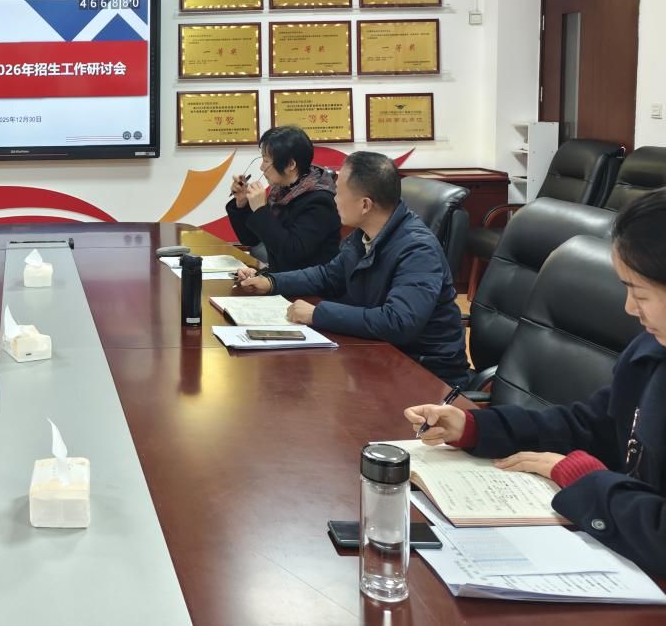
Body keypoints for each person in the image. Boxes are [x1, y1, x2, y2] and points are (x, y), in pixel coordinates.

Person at [404, 189, 666, 577]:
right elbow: (591, 426)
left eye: (639, 292)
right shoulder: (650, 351)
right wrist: (476, 427)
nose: (629, 308)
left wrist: (585, 480)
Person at [235, 150, 468, 384]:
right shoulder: (364, 234)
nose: (334, 199)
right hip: (381, 355)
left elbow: (398, 322)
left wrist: (317, 314)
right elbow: (328, 276)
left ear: (365, 204)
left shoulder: (418, 249)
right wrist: (271, 282)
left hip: (426, 373)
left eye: (339, 192)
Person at [224, 125, 340, 272]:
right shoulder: (281, 192)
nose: (261, 167)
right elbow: (251, 239)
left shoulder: (320, 201)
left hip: (307, 284)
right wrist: (242, 203)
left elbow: (291, 253)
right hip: (280, 279)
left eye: (266, 161)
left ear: (290, 164)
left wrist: (260, 210)